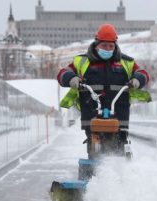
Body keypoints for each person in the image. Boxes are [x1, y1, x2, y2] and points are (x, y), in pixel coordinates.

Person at [57, 23, 151, 156]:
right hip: (92, 113)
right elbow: (62, 73)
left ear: (115, 45)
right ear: (97, 44)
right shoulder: (83, 61)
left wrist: (137, 80)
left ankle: (124, 170)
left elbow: (143, 73)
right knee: (94, 147)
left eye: (111, 46)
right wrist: (71, 79)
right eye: (104, 45)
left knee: (121, 146)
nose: (107, 49)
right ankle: (93, 172)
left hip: (119, 114)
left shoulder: (126, 62)